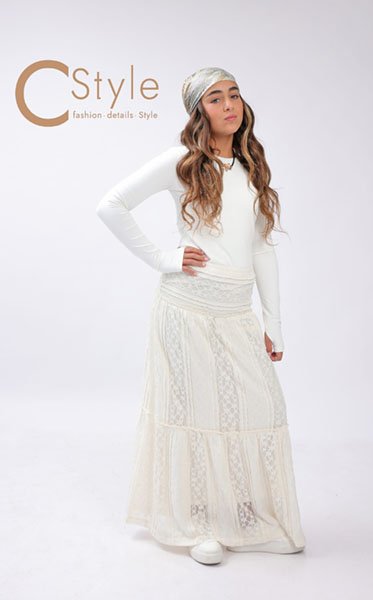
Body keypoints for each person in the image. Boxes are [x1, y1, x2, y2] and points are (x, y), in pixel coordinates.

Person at [96, 66, 306, 565]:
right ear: (198, 111)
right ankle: (199, 524)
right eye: (215, 98)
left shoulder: (252, 165)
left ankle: (243, 516)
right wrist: (163, 258)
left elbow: (261, 248)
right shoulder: (182, 162)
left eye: (234, 94)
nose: (229, 105)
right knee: (196, 411)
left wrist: (273, 321)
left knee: (260, 407)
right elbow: (112, 205)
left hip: (235, 308)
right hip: (186, 306)